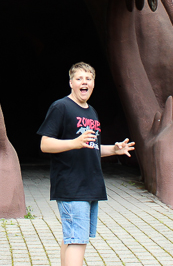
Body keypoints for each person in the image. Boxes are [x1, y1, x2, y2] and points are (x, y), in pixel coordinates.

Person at [37, 62, 135, 266]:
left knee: (72, 239)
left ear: (93, 84)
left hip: (90, 186)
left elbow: (93, 148)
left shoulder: (92, 112)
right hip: (72, 187)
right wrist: (73, 143)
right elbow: (45, 144)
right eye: (79, 78)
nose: (84, 82)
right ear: (71, 82)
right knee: (77, 241)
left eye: (88, 79)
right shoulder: (61, 107)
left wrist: (114, 150)